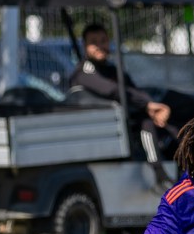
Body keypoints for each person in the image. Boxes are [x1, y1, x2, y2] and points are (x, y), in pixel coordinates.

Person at [70, 23, 171, 179]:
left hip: (118, 124)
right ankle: (158, 173)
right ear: (84, 46)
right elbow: (112, 90)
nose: (99, 46)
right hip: (100, 129)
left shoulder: (112, 69)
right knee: (145, 121)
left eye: (103, 40)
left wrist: (150, 105)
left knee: (167, 125)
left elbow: (133, 90)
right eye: (94, 42)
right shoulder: (83, 72)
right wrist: (148, 105)